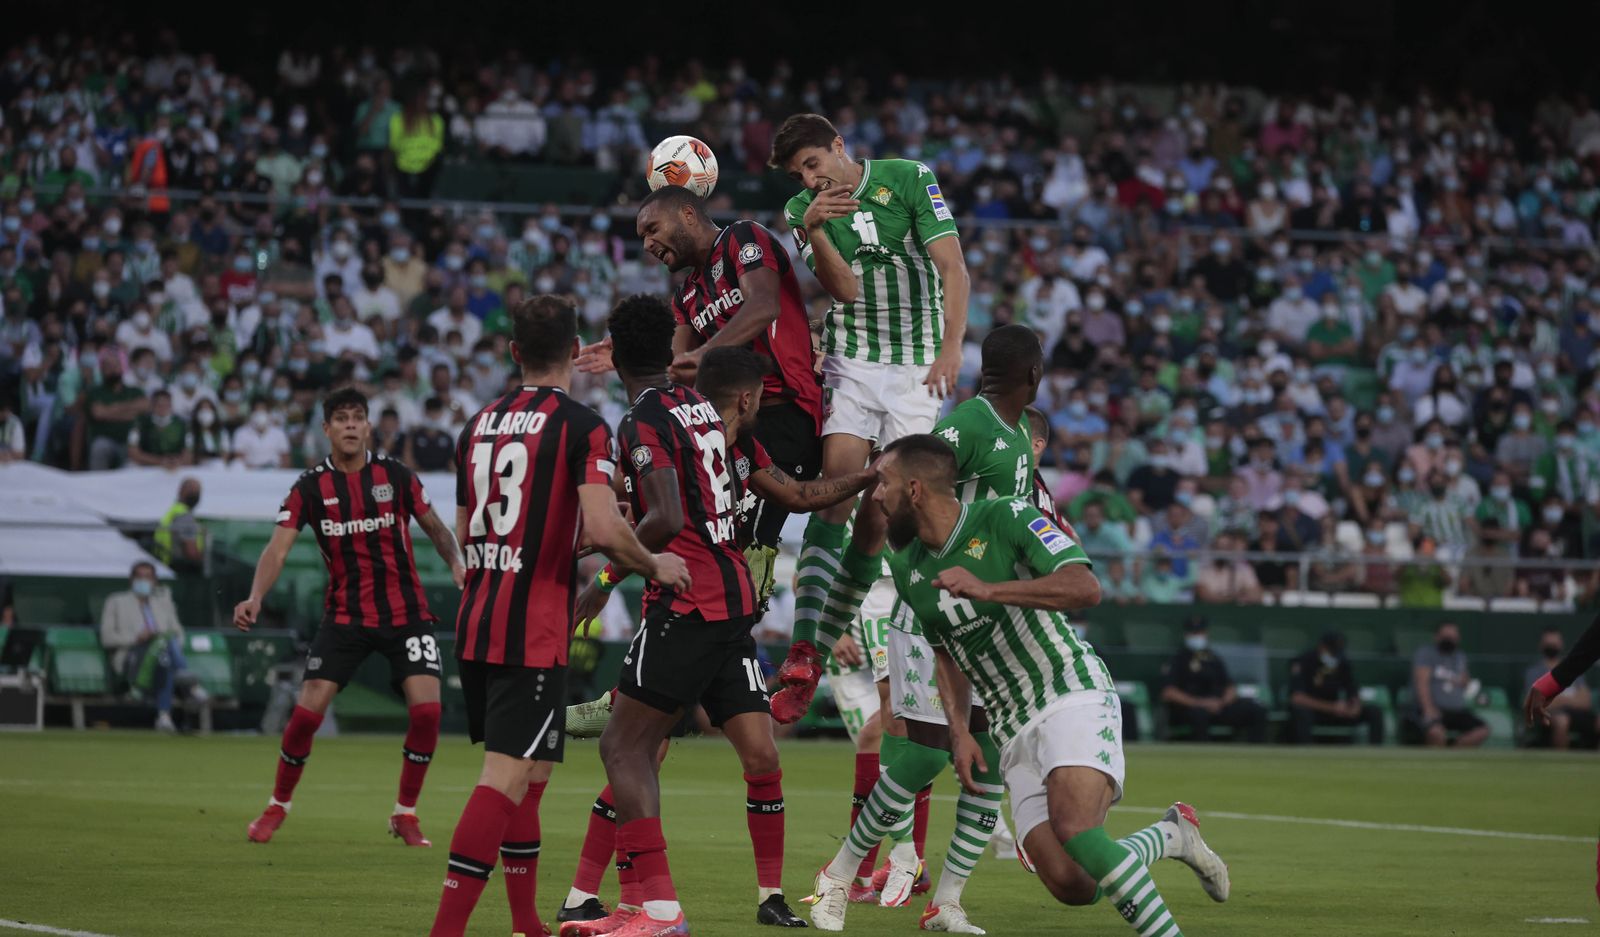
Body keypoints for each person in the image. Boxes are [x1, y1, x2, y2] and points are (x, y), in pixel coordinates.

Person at [806, 434, 1229, 935]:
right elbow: (946, 652)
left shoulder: (1006, 515)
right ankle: (1169, 836)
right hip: (1010, 728)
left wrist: (992, 589)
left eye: (885, 484)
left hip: (1068, 691)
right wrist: (960, 730)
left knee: (1075, 828)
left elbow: (1085, 586)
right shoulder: (908, 567)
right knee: (1075, 884)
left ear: (915, 489)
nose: (875, 495)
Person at [565, 307, 873, 936]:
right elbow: (785, 494)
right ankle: (604, 901)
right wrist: (868, 475)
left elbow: (664, 519)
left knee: (626, 748)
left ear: (615, 358)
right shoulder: (701, 409)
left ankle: (654, 909)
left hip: (689, 602)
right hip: (731, 603)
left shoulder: (643, 418)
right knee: (672, 748)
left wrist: (603, 577)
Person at [427, 297, 688, 937]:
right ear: (577, 351)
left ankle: (526, 925)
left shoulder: (476, 425)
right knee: (504, 777)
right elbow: (601, 525)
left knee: (531, 773)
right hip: (532, 627)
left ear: (514, 352)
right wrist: (654, 564)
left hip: (480, 617)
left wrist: (565, 536)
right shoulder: (582, 425)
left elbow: (472, 531)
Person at [807, 327, 1053, 932]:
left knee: (985, 760)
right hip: (935, 617)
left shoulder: (1021, 434)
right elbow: (897, 478)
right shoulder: (970, 425)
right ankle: (838, 875)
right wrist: (909, 566)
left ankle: (947, 903)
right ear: (1033, 374)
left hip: (991, 622)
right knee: (921, 755)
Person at [768, 113, 971, 723]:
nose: (809, 178)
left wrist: (953, 346)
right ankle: (805, 650)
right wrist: (813, 232)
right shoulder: (800, 209)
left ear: (838, 147)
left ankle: (844, 641)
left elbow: (952, 267)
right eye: (799, 172)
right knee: (836, 490)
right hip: (852, 360)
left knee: (885, 516)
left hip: (916, 371)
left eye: (813, 163)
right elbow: (846, 292)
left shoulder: (909, 179)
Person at [233, 388, 465, 850]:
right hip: (345, 616)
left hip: (406, 613)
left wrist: (457, 564)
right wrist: (256, 595)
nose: (352, 425)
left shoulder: (396, 475)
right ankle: (278, 804)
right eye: (342, 418)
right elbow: (277, 548)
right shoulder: (308, 488)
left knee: (428, 712)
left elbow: (435, 527)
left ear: (368, 426)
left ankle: (406, 813)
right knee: (304, 716)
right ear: (327, 429)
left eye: (358, 417)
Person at [99, 561, 202, 732]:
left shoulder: (163, 603)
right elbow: (107, 637)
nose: (143, 580)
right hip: (132, 656)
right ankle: (189, 685)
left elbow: (179, 634)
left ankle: (164, 717)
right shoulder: (116, 601)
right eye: (139, 576)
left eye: (148, 577)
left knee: (166, 650)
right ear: (131, 579)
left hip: (163, 657)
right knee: (166, 646)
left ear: (154, 581)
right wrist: (136, 638)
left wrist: (162, 640)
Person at [1159, 617, 1268, 743]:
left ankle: (1254, 751)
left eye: (1200, 633)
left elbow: (1230, 686)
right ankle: (1202, 753)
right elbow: (1168, 692)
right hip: (1193, 707)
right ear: (1186, 635)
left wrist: (1221, 702)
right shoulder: (1178, 659)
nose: (1197, 636)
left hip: (1219, 706)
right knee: (1199, 714)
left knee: (1256, 709)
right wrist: (1199, 703)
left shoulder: (1214, 658)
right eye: (1194, 633)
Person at [1287, 632, 1384, 745]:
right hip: (1315, 712)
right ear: (1322, 647)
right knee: (1300, 712)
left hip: (1338, 711)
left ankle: (1376, 750)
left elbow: (1352, 689)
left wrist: (1354, 706)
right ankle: (1306, 751)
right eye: (1332, 650)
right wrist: (1331, 707)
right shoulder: (1304, 661)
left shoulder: (1342, 662)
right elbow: (1297, 698)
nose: (1334, 655)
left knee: (1374, 711)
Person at [1405, 623, 1489, 747]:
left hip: (1456, 711)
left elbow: (1465, 682)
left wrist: (1475, 692)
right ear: (1437, 637)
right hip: (1434, 709)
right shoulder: (1426, 653)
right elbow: (1421, 683)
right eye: (1446, 636)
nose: (1449, 640)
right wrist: (1428, 708)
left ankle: (1453, 751)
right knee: (1436, 733)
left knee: (1482, 730)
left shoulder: (1460, 657)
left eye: (1452, 637)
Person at [1521, 628, 1595, 750]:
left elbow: (1586, 701)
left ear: (1561, 644)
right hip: (1552, 715)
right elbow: (1536, 701)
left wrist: (1560, 699)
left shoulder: (1574, 668)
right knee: (1562, 720)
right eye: (1549, 644)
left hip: (1577, 713)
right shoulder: (1534, 672)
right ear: (1541, 645)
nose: (1552, 648)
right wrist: (1571, 699)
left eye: (1554, 644)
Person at [151, 477, 206, 576]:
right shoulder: (184, 515)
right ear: (181, 490)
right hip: (182, 569)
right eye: (191, 490)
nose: (195, 495)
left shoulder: (173, 511)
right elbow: (191, 552)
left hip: (166, 565)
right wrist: (204, 561)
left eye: (197, 492)